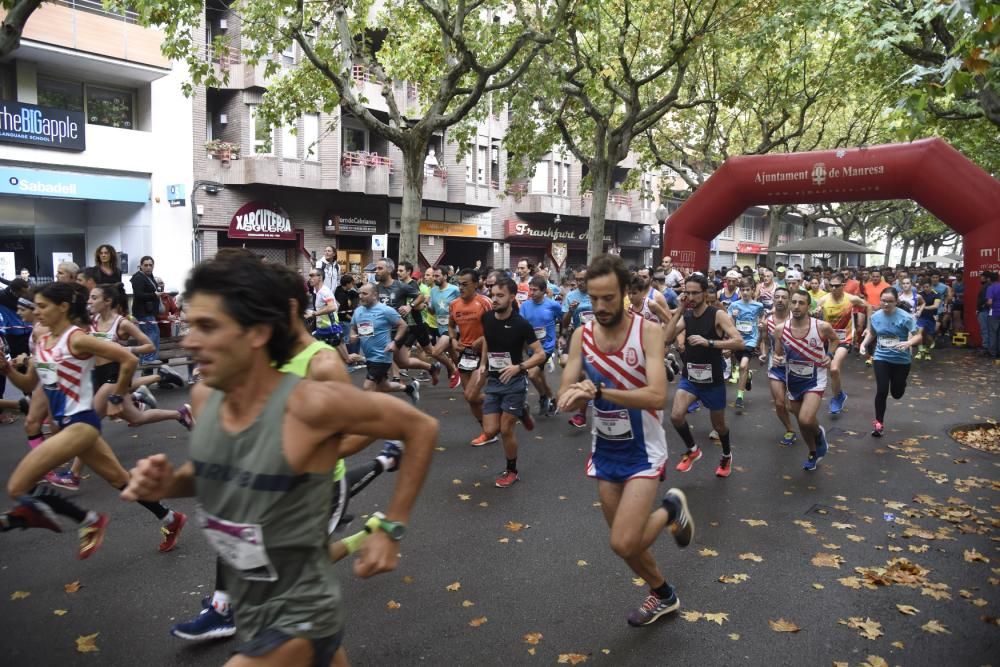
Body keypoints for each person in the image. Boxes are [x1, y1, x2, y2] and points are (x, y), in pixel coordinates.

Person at [122, 253, 438, 667]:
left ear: (255, 333)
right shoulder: (205, 398)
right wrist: (170, 485)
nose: (188, 340)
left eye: (207, 326)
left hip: (302, 614)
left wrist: (392, 529)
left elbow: (420, 428)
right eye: (188, 322)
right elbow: (219, 475)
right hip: (254, 607)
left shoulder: (305, 403)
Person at [170, 259, 405, 641]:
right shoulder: (264, 353)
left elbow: (368, 429)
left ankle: (364, 535)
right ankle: (224, 606)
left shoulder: (322, 363)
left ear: (289, 309)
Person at [0, 282, 186, 559]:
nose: (35, 312)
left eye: (42, 306)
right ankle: (171, 519)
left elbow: (127, 359)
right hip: (65, 425)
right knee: (120, 480)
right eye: (34, 306)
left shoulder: (76, 338)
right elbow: (28, 381)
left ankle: (88, 520)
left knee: (17, 486)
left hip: (81, 424)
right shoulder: (42, 342)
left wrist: (115, 398)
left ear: (62, 307)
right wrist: (6, 369)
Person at [558, 254, 694, 627]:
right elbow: (564, 392)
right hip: (605, 451)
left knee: (622, 541)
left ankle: (669, 509)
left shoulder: (646, 332)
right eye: (594, 298)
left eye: (608, 298)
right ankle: (664, 594)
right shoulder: (580, 337)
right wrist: (573, 392)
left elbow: (655, 396)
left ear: (625, 293)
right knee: (629, 542)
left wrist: (600, 392)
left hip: (644, 452)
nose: (600, 307)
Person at [664, 274, 744, 478]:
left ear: (705, 293)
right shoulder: (687, 315)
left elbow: (738, 342)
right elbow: (666, 337)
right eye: (687, 293)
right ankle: (692, 451)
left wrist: (709, 343)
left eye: (694, 293)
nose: (690, 296)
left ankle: (726, 455)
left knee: (719, 426)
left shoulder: (717, 315)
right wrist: (680, 310)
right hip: (690, 377)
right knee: (676, 416)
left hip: (712, 381)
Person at [473, 277, 545, 488]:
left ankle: (512, 470)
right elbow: (487, 339)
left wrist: (519, 367)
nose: (494, 299)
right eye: (492, 295)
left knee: (506, 430)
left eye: (500, 296)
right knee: (490, 430)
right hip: (494, 382)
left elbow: (539, 355)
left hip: (514, 381)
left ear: (512, 297)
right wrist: (483, 364)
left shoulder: (521, 324)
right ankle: (522, 410)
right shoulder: (486, 318)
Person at [771, 290, 838, 472]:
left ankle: (819, 434)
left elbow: (834, 340)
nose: (797, 306)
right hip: (793, 380)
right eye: (794, 302)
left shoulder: (821, 326)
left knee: (806, 419)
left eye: (801, 303)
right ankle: (813, 451)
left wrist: (829, 355)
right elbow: (778, 354)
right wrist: (776, 359)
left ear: (809, 306)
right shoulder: (780, 329)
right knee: (802, 423)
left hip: (815, 379)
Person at [860, 287, 923, 437]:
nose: (886, 304)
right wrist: (864, 344)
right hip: (881, 358)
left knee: (896, 393)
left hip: (901, 360)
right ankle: (878, 424)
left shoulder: (905, 317)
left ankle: (901, 384)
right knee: (881, 390)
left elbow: (918, 336)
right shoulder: (875, 316)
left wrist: (908, 343)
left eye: (890, 302)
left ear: (896, 302)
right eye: (883, 301)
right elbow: (873, 333)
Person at [349, 283, 420, 402]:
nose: (360, 296)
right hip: (370, 357)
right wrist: (352, 335)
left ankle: (373, 418)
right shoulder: (358, 311)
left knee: (368, 387)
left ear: (375, 295)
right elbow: (353, 327)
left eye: (364, 294)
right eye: (359, 293)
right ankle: (410, 388)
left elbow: (403, 326)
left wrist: (395, 343)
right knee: (384, 386)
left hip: (382, 356)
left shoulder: (385, 310)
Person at [448, 269, 495, 446]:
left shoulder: (485, 302)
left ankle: (504, 400)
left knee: (471, 394)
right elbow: (451, 325)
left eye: (465, 284)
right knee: (471, 399)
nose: (460, 287)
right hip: (465, 354)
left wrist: (482, 339)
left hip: (485, 353)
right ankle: (487, 431)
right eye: (459, 284)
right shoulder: (454, 304)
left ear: (476, 284)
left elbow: (496, 325)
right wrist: (453, 340)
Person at [814, 276, 868, 415]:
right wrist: (816, 313)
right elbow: (813, 313)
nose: (833, 288)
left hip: (845, 340)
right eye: (831, 285)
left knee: (833, 369)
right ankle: (840, 395)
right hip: (828, 340)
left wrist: (869, 327)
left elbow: (867, 306)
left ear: (843, 285)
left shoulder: (851, 299)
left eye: (836, 286)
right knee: (826, 371)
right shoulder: (824, 299)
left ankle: (837, 398)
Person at [520, 276, 563, 416]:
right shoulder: (525, 305)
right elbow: (522, 325)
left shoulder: (553, 305)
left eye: (535, 290)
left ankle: (543, 397)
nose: (532, 293)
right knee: (540, 376)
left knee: (532, 374)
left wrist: (561, 336)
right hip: (532, 347)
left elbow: (562, 319)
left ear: (544, 291)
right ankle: (551, 397)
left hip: (547, 347)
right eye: (530, 290)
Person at [759, 287, 797, 446]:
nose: (780, 300)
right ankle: (790, 430)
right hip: (776, 366)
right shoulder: (768, 321)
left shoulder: (796, 318)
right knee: (780, 403)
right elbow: (765, 342)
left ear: (789, 301)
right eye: (777, 297)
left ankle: (808, 423)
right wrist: (763, 353)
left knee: (794, 405)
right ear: (773, 300)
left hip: (796, 366)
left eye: (784, 297)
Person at [561, 266, 594, 429]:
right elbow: (565, 323)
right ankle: (588, 392)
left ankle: (581, 414)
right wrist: (571, 311)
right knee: (564, 362)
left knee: (584, 373)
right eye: (578, 279)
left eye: (583, 279)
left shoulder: (598, 294)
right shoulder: (571, 296)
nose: (580, 282)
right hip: (577, 336)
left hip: (597, 338)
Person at [727, 276, 764, 411]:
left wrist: (761, 326)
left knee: (742, 366)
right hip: (738, 339)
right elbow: (729, 325)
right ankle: (748, 376)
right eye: (743, 290)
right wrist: (734, 317)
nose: (745, 292)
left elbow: (761, 319)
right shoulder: (734, 305)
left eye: (748, 289)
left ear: (753, 290)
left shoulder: (758, 306)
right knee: (742, 366)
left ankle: (739, 397)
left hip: (751, 340)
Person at [427, 267, 462, 389]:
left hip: (452, 327)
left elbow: (462, 304)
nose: (434, 278)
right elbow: (432, 312)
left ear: (445, 276)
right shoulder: (433, 291)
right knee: (454, 354)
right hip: (440, 327)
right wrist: (427, 305)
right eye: (434, 276)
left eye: (437, 276)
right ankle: (466, 379)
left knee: (435, 352)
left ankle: (453, 370)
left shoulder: (454, 290)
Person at [131, 256, 162, 371]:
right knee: (151, 333)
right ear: (141, 266)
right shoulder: (138, 278)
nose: (148, 267)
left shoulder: (149, 277)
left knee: (154, 333)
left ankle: (149, 357)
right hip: (143, 312)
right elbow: (138, 295)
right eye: (146, 265)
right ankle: (148, 358)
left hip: (149, 311)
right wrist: (154, 295)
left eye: (150, 265)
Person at [914, 279, 940, 360]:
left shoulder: (936, 294)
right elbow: (915, 305)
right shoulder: (920, 295)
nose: (925, 288)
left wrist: (923, 307)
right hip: (921, 317)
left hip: (931, 317)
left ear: (931, 286)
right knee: (919, 333)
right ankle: (920, 351)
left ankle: (927, 351)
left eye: (927, 287)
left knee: (929, 336)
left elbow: (935, 306)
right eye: (924, 287)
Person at [978, 272, 996, 355]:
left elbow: (987, 300)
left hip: (985, 310)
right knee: (990, 330)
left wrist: (981, 307)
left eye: (982, 276)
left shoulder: (987, 287)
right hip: (988, 310)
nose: (981, 278)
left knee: (985, 329)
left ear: (987, 278)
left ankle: (986, 348)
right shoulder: (989, 286)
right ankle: (990, 348)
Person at [985, 273, 1000, 360]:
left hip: (994, 313)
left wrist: (985, 304)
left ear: (989, 279)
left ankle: (993, 353)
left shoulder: (990, 288)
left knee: (993, 333)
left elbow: (989, 302)